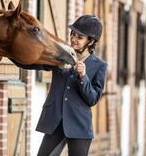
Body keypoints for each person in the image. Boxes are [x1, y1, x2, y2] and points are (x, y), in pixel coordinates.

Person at [10, 15, 107, 156]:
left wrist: (83, 77)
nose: (73, 39)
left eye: (80, 37)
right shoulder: (60, 55)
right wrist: (8, 52)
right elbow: (31, 63)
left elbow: (92, 99)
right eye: (73, 34)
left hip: (79, 125)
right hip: (55, 121)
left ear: (90, 42)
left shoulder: (99, 66)